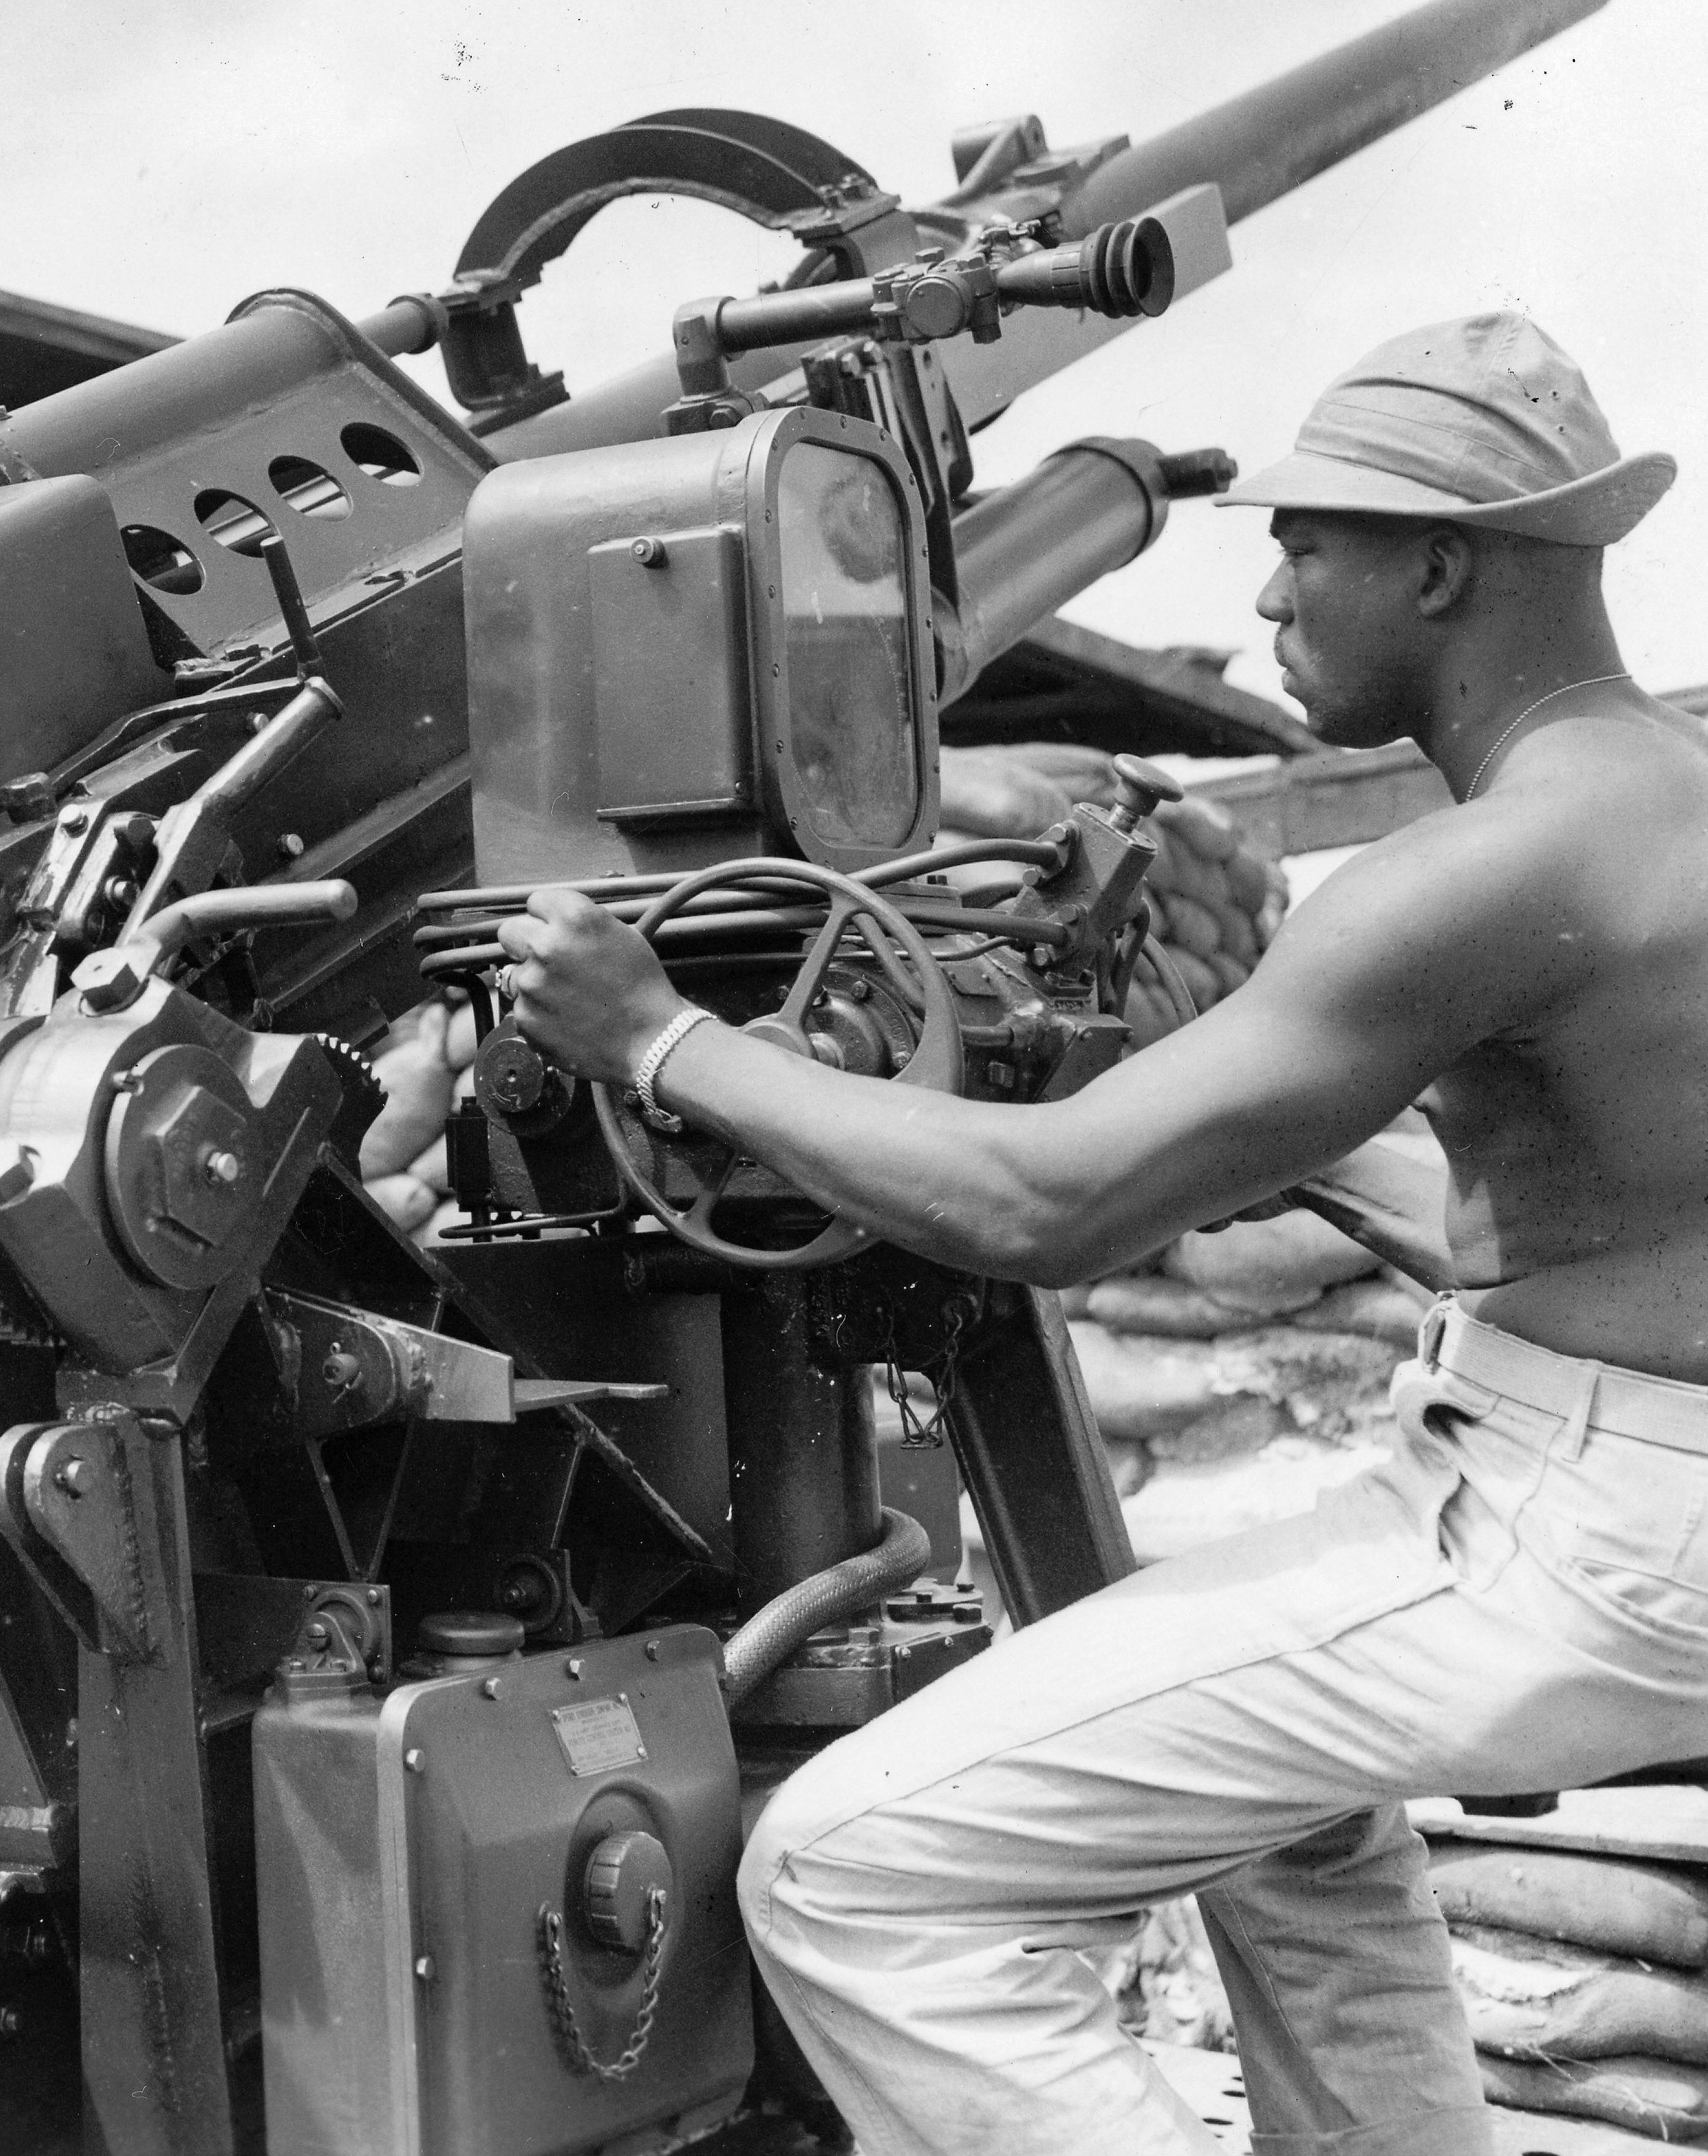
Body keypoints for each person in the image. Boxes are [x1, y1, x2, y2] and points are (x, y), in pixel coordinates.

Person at [495, 314, 1708, 2156]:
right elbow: (1555, 1215)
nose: (1277, 590)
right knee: (1294, 1828)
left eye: (1314, 546)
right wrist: (1219, 1121)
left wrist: (662, 1038)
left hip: (1583, 1529)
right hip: (1634, 1488)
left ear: (1445, 567)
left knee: (847, 1873)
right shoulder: (1659, 805)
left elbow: (1045, 1206)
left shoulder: (1476, 873)